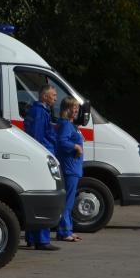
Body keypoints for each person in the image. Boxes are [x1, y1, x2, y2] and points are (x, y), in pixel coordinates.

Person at [23, 84, 60, 251]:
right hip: (43, 157)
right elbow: (37, 138)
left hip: (41, 157)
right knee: (44, 197)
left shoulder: (38, 111)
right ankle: (42, 240)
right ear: (45, 96)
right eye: (53, 95)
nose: (55, 98)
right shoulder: (40, 112)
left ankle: (32, 237)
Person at [54, 97, 84, 242]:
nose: (76, 110)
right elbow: (62, 141)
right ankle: (64, 231)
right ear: (66, 109)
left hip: (74, 167)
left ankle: (68, 230)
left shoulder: (72, 125)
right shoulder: (66, 125)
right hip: (70, 167)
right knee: (68, 201)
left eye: (77, 107)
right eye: (74, 107)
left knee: (70, 201)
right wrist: (76, 147)